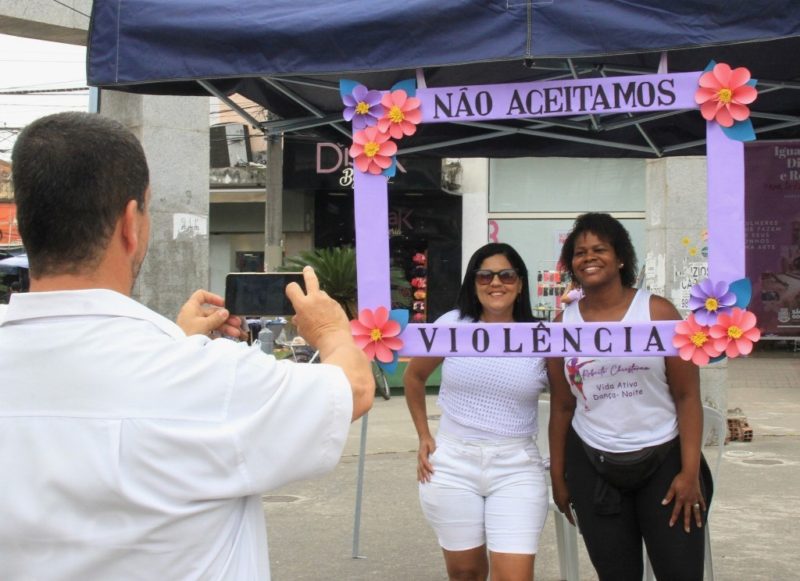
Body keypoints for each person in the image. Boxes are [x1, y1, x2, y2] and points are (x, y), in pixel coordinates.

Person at [0, 112, 374, 580]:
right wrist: (331, 328)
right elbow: (354, 389)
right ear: (129, 224)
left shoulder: (189, 367)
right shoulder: (208, 377)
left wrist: (178, 344)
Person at [546, 212, 711, 581]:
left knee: (681, 573)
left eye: (599, 249)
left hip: (666, 461)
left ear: (620, 257)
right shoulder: (563, 325)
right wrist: (558, 475)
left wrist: (689, 472)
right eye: (579, 252)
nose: (588, 257)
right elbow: (562, 406)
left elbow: (687, 397)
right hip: (593, 462)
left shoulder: (657, 312)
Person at [404, 242, 549, 581]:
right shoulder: (452, 323)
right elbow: (415, 376)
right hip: (453, 464)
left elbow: (567, 399)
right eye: (485, 275)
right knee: (465, 572)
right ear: (473, 282)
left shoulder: (542, 335)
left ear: (521, 283)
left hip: (517, 467)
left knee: (514, 576)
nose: (495, 283)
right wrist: (424, 435)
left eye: (506, 275)